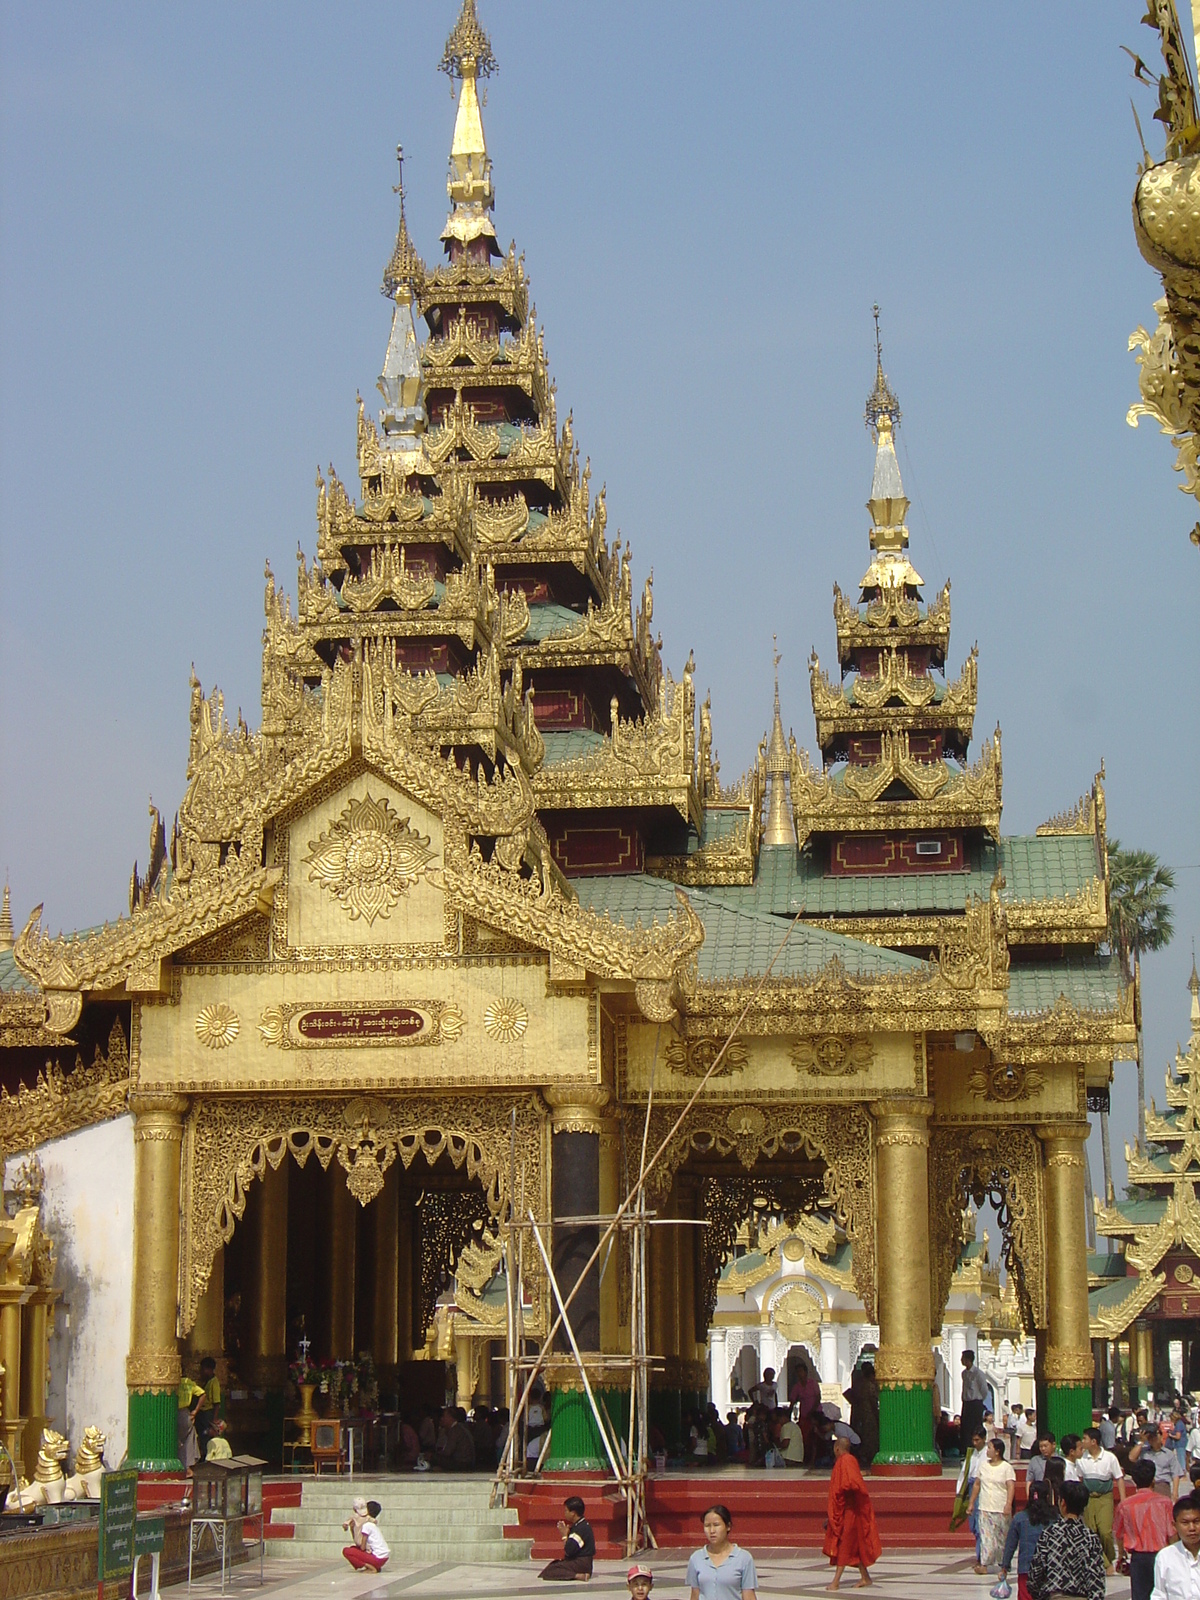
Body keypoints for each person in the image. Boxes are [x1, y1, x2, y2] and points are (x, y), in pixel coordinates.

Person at [822, 1422, 880, 1590]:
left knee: (845, 1545)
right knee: (854, 1547)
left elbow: (853, 1485)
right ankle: (865, 1578)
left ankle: (836, 1582)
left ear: (837, 1449)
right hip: (845, 1509)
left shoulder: (845, 1461)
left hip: (850, 1511)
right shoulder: (848, 1461)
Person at [1026, 1480, 1105, 1600]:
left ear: (1062, 1503)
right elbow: (1096, 1579)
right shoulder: (1091, 1538)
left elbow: (1036, 1572)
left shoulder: (1050, 1534)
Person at [1114, 1458, 1177, 1600]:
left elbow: (1119, 1534)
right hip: (1162, 1555)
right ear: (1153, 1479)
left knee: (1140, 1596)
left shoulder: (1125, 1505)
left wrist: (1121, 1556)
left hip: (1138, 1558)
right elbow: (1172, 1533)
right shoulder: (1165, 1503)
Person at [998, 1478, 1058, 1600]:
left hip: (1026, 1569)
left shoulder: (1020, 1518)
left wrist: (1005, 1567)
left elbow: (1010, 1545)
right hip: (1050, 1568)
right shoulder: (1055, 1518)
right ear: (1047, 1496)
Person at [1078, 1424, 1126, 1570]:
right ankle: (1105, 1563)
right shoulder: (1082, 1459)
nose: (1082, 1441)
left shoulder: (1110, 1458)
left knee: (1105, 1531)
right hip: (1088, 1499)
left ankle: (1111, 1556)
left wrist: (1123, 1500)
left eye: (1085, 1438)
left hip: (1105, 1497)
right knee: (1092, 1531)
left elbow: (1119, 1478)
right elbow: (1079, 1480)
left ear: (1093, 1441)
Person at [686, 1504, 757, 1600]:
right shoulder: (696, 1558)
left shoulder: (744, 1558)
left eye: (716, 1525)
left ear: (728, 1526)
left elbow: (748, 1595)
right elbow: (695, 1594)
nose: (712, 1531)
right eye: (707, 1526)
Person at [969, 1435, 1016, 1575]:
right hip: (984, 1507)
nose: (987, 1451)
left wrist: (1008, 1504)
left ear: (997, 1451)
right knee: (987, 1538)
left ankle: (1004, 1563)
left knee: (1002, 1539)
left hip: (1001, 1508)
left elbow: (1010, 1486)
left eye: (989, 1448)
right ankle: (985, 1564)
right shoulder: (983, 1467)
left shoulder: (1006, 1468)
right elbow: (977, 1485)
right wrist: (971, 1503)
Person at [1149, 1491, 1200, 1599]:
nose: (1192, 1528)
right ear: (1174, 1525)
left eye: (1196, 1521)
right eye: (1185, 1523)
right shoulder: (1165, 1557)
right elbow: (1159, 1594)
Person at [538, 1495, 595, 1582]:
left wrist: (564, 1535)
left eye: (566, 1511)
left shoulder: (581, 1528)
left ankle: (578, 1576)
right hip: (579, 1562)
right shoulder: (579, 1525)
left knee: (551, 1571)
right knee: (552, 1566)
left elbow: (569, 1550)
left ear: (573, 1513)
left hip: (582, 1564)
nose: (565, 1513)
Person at [844, 1363, 879, 1470]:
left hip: (857, 1415)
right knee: (871, 1437)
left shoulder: (858, 1384)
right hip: (869, 1416)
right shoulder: (870, 1385)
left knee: (860, 1435)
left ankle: (861, 1456)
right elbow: (873, 1402)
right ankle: (870, 1457)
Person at [343, 1500, 389, 1572]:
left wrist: (353, 1530)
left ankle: (370, 1567)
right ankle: (375, 1566)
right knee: (353, 1548)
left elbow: (362, 1547)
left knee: (347, 1551)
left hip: (378, 1558)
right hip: (383, 1557)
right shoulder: (371, 1525)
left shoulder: (366, 1526)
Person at [959, 1350, 988, 1454]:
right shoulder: (964, 1374)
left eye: (963, 1358)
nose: (961, 1360)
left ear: (968, 1359)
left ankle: (977, 1448)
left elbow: (984, 1389)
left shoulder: (978, 1373)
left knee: (975, 1427)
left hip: (975, 1403)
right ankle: (966, 1450)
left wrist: (979, 1401)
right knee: (965, 1428)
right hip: (967, 1403)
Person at [433, 1405, 476, 1471]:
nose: (441, 1419)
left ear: (450, 1417)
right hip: (466, 1461)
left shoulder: (455, 1430)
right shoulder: (461, 1428)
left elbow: (448, 1452)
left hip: (462, 1463)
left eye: (444, 1416)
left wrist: (434, 1455)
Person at [194, 1356, 221, 1456]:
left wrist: (214, 1419)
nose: (201, 1372)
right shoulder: (207, 1382)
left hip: (208, 1414)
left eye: (203, 1369)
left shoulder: (214, 1382)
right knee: (201, 1436)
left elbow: (217, 1403)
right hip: (202, 1414)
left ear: (209, 1369)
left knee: (207, 1437)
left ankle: (208, 1456)